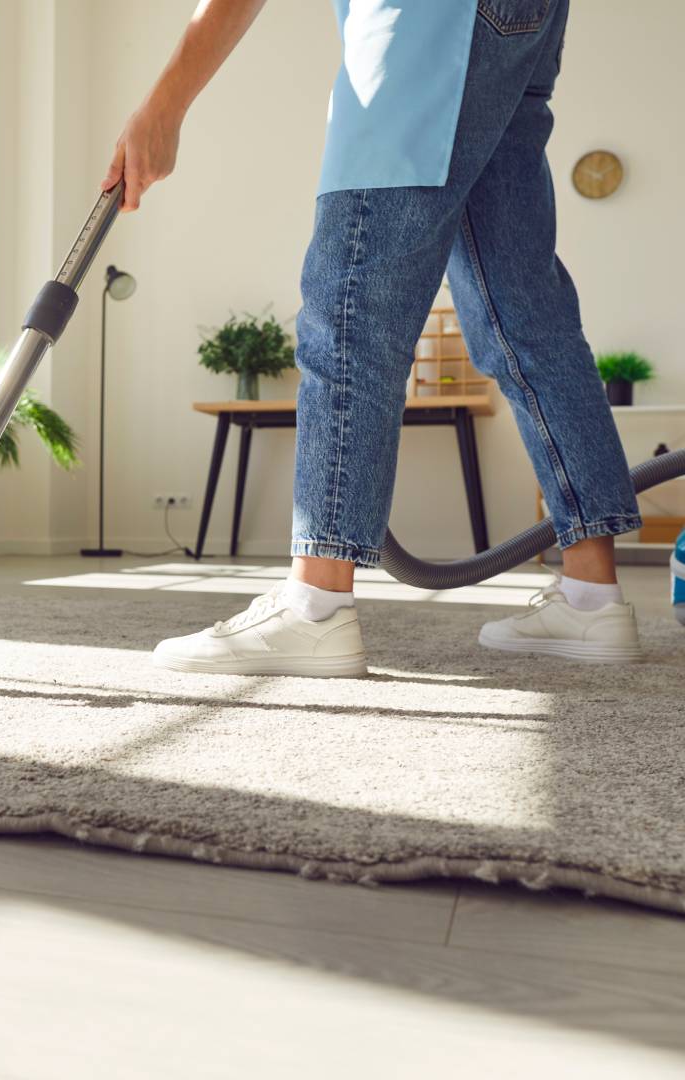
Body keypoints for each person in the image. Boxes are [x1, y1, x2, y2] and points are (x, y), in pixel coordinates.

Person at [104, 0, 642, 676]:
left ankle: (315, 609)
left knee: (350, 313)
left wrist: (162, 106)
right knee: (524, 315)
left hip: (427, 20)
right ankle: (592, 600)